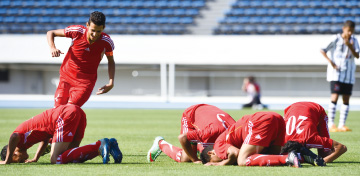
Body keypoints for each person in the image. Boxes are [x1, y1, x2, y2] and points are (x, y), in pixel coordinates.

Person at [0, 104, 122, 164]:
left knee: (55, 159)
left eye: (18, 160)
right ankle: (108, 145)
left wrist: (7, 160)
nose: (22, 160)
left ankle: (99, 145)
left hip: (63, 116)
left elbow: (13, 137)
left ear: (14, 152)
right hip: (75, 112)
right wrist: (36, 158)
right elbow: (44, 138)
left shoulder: (19, 141)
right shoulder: (27, 142)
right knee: (69, 156)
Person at [47, 11, 115, 108]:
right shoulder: (77, 31)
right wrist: (52, 47)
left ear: (103, 28)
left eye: (98, 31)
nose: (95, 34)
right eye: (92, 30)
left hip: (85, 83)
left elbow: (111, 61)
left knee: (69, 110)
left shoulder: (106, 42)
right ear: (87, 25)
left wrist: (111, 82)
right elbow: (51, 33)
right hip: (66, 78)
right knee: (57, 109)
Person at [200, 111, 304, 167]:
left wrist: (221, 163)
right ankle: (301, 155)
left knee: (242, 160)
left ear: (211, 153)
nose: (223, 157)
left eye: (219, 158)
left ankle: (288, 158)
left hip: (259, 121)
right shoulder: (227, 139)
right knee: (273, 156)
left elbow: (235, 153)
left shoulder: (218, 145)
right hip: (277, 118)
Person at [147, 104, 236, 163]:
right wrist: (194, 159)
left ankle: (197, 147)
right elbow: (182, 138)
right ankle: (160, 143)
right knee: (186, 158)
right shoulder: (210, 132)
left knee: (204, 148)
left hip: (208, 113)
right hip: (190, 115)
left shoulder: (235, 133)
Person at [320, 20, 359, 132]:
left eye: (352, 31)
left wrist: (350, 46)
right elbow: (322, 50)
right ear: (344, 29)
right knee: (335, 96)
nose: (350, 33)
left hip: (349, 74)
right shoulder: (335, 38)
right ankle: (331, 124)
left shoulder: (354, 40)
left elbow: (357, 56)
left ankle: (342, 124)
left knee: (346, 99)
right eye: (348, 31)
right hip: (336, 74)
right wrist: (331, 62)